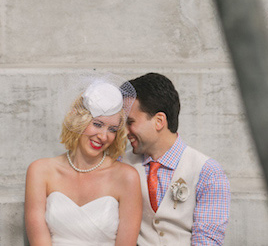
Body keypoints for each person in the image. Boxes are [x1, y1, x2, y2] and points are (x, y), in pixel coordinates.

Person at [25, 75, 143, 245]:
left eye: (112, 129)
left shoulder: (126, 177)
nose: (103, 136)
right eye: (97, 124)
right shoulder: (40, 171)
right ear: (77, 119)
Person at [123, 73, 231, 245]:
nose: (125, 131)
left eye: (130, 122)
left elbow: (208, 239)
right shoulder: (121, 164)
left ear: (159, 121)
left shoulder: (208, 171)